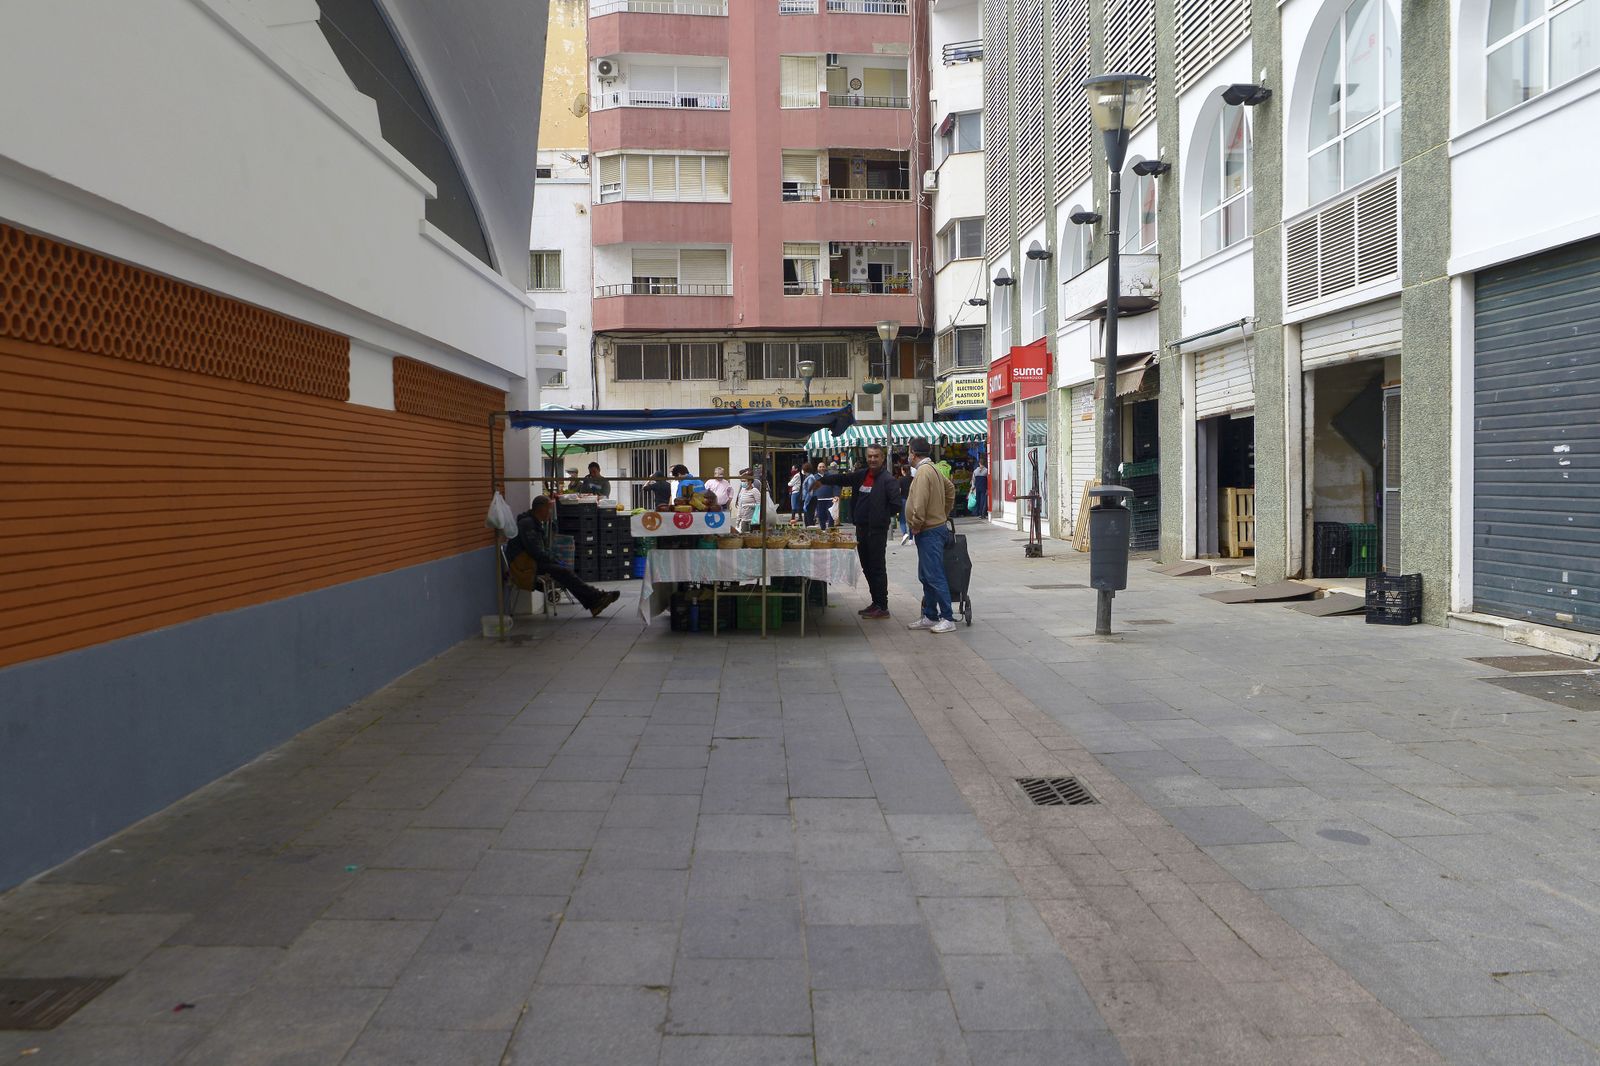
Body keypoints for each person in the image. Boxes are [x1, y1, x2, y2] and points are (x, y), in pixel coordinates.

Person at [819, 444, 902, 619]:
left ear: (882, 457)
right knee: (866, 567)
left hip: (876, 530)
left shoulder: (888, 480)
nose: (872, 459)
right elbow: (843, 479)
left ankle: (882, 606)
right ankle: (875, 602)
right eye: (870, 456)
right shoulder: (862, 475)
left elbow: (896, 505)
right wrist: (822, 480)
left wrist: (880, 515)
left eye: (876, 456)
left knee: (877, 567)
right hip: (861, 529)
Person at [512, 496, 621, 617]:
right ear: (541, 509)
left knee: (564, 571)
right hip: (525, 565)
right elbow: (536, 552)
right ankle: (596, 598)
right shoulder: (527, 524)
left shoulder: (534, 523)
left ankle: (594, 601)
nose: (550, 513)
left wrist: (554, 559)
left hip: (533, 561)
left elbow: (540, 551)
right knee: (563, 571)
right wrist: (554, 560)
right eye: (549, 509)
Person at [904, 437, 958, 634]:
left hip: (928, 531)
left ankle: (947, 617)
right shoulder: (932, 469)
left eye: (909, 451)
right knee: (926, 575)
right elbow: (950, 488)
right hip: (934, 528)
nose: (907, 455)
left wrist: (916, 524)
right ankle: (930, 615)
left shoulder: (923, 472)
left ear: (914, 453)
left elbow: (920, 502)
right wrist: (943, 512)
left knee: (934, 575)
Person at [732, 469, 775, 533]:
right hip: (744, 520)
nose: (742, 483)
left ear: (749, 481)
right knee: (744, 536)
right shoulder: (742, 491)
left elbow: (759, 504)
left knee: (753, 536)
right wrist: (738, 520)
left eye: (744, 481)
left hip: (753, 519)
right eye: (742, 481)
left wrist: (749, 505)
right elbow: (740, 506)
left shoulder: (755, 491)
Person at [812, 461, 838, 530]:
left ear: (825, 468)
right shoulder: (814, 477)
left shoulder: (830, 476)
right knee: (821, 516)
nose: (822, 468)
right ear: (817, 468)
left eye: (823, 467)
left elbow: (835, 486)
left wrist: (836, 495)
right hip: (819, 500)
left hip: (830, 499)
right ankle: (823, 530)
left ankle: (831, 531)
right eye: (820, 467)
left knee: (831, 516)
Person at [896, 464, 913, 543]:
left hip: (903, 500)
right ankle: (911, 538)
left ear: (903, 471)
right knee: (911, 519)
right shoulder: (913, 479)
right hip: (912, 500)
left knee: (902, 519)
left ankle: (905, 533)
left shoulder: (900, 480)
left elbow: (898, 491)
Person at [801, 461, 821, 526]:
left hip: (810, 499)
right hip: (809, 499)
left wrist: (806, 503)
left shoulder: (810, 478)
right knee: (807, 518)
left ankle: (811, 533)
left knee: (809, 518)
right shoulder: (809, 477)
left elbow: (810, 492)